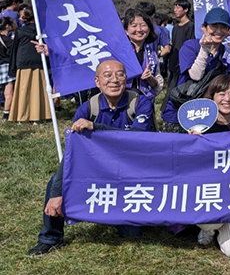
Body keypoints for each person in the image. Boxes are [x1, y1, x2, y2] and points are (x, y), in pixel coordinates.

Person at [26, 60, 154, 256]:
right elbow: (73, 152)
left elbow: (136, 139)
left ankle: (112, 214)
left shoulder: (140, 102)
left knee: (132, 233)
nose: (114, 80)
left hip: (132, 170)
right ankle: (50, 237)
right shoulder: (87, 109)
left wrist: (98, 128)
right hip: (98, 168)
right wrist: (57, 194)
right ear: (97, 81)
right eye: (107, 76)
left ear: (126, 79)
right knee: (55, 183)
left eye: (120, 75)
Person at [192, 74, 230, 257]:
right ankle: (209, 229)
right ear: (211, 97)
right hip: (211, 192)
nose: (227, 99)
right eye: (221, 94)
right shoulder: (198, 128)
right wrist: (192, 143)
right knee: (206, 221)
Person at [161, 8, 230, 132]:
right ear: (204, 28)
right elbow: (195, 75)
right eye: (214, 26)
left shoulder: (228, 53)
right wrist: (205, 50)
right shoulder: (191, 46)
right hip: (181, 110)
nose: (218, 31)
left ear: (229, 32)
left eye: (223, 27)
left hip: (207, 114)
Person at [8, 7, 51, 123]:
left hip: (23, 62)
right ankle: (40, 115)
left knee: (23, 90)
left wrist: (12, 68)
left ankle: (22, 116)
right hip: (39, 61)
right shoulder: (41, 31)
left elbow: (14, 50)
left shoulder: (20, 32)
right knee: (39, 90)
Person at [123, 9, 163, 99]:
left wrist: (150, 78)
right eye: (134, 26)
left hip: (144, 100)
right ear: (126, 30)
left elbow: (157, 83)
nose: (139, 29)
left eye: (143, 25)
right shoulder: (119, 53)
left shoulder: (151, 53)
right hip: (121, 100)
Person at [0, 17, 16, 119]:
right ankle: (6, 113)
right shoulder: (6, 39)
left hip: (0, 67)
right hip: (7, 66)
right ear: (7, 26)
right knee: (9, 91)